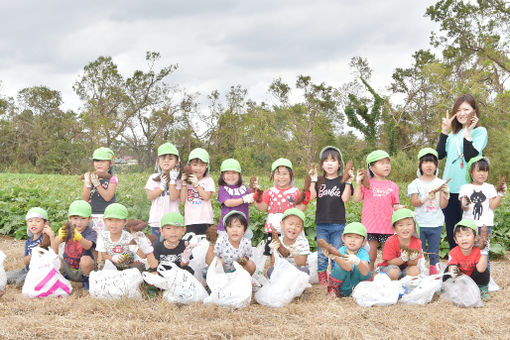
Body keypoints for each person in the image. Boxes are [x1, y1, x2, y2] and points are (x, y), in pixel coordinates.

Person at [436, 94, 488, 249]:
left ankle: (471, 268)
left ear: (474, 111)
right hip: (449, 189)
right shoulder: (452, 135)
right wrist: (444, 132)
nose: (462, 113)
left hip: (469, 190)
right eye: (458, 110)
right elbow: (439, 155)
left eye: (466, 109)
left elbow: (471, 155)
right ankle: (455, 266)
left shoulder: (480, 132)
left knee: (469, 231)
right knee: (454, 230)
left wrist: (468, 133)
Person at [309, 146, 353, 286]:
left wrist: (348, 182)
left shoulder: (342, 181)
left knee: (335, 251)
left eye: (333, 160)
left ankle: (335, 276)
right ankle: (322, 278)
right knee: (322, 253)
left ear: (339, 164)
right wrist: (313, 180)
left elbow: (345, 199)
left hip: (338, 224)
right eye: (326, 160)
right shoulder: (320, 180)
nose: (329, 163)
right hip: (321, 223)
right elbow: (312, 196)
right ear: (322, 164)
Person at [353, 150, 401, 272]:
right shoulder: (367, 184)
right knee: (371, 256)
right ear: (372, 167)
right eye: (382, 163)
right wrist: (358, 183)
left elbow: (396, 206)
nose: (386, 166)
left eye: (388, 163)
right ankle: (368, 278)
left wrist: (401, 209)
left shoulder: (393, 186)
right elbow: (357, 199)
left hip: (387, 227)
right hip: (370, 227)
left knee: (387, 257)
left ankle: (384, 277)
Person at [459, 156, 506, 272]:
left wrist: (500, 194)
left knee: (484, 254)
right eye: (479, 170)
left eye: (485, 171)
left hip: (485, 226)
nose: (482, 174)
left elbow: (493, 205)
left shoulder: (489, 187)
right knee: (468, 252)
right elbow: (464, 208)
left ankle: (485, 280)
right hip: (469, 227)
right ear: (471, 172)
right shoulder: (465, 187)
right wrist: (465, 202)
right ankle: (469, 276)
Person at [254, 158, 309, 256]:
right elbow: (262, 208)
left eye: (285, 174)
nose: (281, 177)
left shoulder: (295, 192)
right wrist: (258, 198)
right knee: (270, 254)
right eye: (278, 174)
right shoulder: (270, 192)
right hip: (272, 230)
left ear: (291, 176)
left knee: (289, 254)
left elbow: (299, 210)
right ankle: (271, 270)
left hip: (290, 231)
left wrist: (305, 198)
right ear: (273, 175)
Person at [408, 147, 449, 274]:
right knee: (418, 253)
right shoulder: (415, 183)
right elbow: (414, 202)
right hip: (420, 223)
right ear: (419, 165)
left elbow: (443, 206)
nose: (429, 165)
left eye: (432, 162)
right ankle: (417, 274)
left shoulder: (441, 183)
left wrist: (446, 195)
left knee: (434, 253)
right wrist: (425, 197)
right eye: (425, 162)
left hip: (435, 223)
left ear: (436, 165)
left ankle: (434, 277)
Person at [51, 200, 97, 290]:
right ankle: (60, 280)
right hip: (68, 268)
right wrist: (58, 237)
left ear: (89, 219)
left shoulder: (91, 232)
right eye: (75, 218)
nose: (79, 222)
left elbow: (88, 246)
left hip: (83, 270)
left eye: (83, 218)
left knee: (86, 260)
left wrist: (79, 238)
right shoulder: (68, 230)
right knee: (54, 260)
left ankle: (86, 284)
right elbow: (54, 246)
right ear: (70, 218)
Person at [443, 219, 490, 301]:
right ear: (455, 240)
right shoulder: (454, 252)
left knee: (484, 270)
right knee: (448, 269)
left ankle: (482, 288)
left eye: (467, 235)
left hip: (473, 278)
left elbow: (481, 269)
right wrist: (458, 279)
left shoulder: (478, 251)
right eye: (460, 236)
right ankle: (448, 287)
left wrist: (484, 250)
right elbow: (452, 268)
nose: (464, 238)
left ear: (475, 238)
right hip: (459, 278)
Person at [95, 203, 150, 272]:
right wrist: (113, 258)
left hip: (127, 267)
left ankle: (130, 279)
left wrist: (143, 243)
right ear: (104, 220)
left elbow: (140, 255)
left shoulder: (129, 237)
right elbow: (104, 256)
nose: (113, 223)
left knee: (138, 267)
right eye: (110, 219)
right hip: (111, 266)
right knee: (105, 267)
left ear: (125, 222)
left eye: (118, 220)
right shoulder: (103, 237)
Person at [6, 207, 54, 286]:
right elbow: (25, 261)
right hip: (27, 269)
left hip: (40, 271)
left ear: (45, 224)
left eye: (38, 221)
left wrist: (48, 236)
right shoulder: (29, 241)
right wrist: (34, 255)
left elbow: (52, 254)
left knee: (20, 282)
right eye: (30, 221)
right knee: (5, 276)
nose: (33, 224)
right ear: (27, 224)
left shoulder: (46, 239)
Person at [322, 222, 371, 297]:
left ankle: (361, 291)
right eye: (349, 236)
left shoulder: (363, 253)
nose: (352, 240)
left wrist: (358, 262)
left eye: (357, 237)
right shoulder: (341, 251)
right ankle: (334, 289)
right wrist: (335, 257)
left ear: (363, 242)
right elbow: (348, 267)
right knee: (338, 267)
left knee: (365, 269)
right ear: (343, 238)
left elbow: (365, 272)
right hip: (344, 287)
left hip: (358, 287)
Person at [145, 142, 182, 240]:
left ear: (177, 162)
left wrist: (172, 181)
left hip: (173, 220)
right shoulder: (153, 178)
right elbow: (149, 196)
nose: (166, 161)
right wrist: (161, 187)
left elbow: (174, 197)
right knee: (157, 246)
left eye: (170, 159)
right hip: (157, 220)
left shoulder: (178, 180)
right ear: (158, 161)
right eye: (163, 158)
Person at [377, 208, 422, 280]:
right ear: (394, 228)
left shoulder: (417, 242)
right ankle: (393, 288)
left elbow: (413, 264)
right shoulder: (391, 241)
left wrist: (412, 258)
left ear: (414, 227)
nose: (405, 228)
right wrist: (403, 258)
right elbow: (390, 262)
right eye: (401, 225)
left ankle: (408, 287)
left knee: (415, 270)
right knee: (394, 272)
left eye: (409, 224)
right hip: (390, 268)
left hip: (405, 269)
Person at [82, 147, 118, 234]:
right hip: (91, 214)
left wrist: (97, 184)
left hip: (107, 215)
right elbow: (84, 199)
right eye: (97, 161)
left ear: (110, 163)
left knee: (105, 238)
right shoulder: (90, 177)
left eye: (103, 161)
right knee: (93, 239)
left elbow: (108, 197)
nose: (99, 164)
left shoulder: (113, 179)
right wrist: (87, 184)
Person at [180, 148, 215, 236]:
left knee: (206, 243)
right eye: (195, 165)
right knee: (192, 244)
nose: (198, 168)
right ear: (190, 166)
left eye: (202, 165)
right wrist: (184, 184)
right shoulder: (186, 182)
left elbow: (206, 197)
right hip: (191, 220)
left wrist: (196, 185)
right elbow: (182, 199)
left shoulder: (208, 180)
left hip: (206, 220)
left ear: (207, 166)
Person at [267, 208, 311, 277]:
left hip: (296, 271)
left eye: (298, 226)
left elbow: (301, 263)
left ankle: (295, 285)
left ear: (302, 229)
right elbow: (273, 263)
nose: (293, 227)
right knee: (270, 271)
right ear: (282, 224)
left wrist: (295, 253)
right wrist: (274, 250)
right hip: (282, 270)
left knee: (304, 270)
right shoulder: (278, 241)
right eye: (290, 224)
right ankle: (283, 284)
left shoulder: (302, 242)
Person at [217, 158, 254, 238]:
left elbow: (250, 204)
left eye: (234, 173)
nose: (231, 176)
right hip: (227, 228)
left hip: (242, 226)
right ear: (222, 175)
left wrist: (253, 195)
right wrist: (243, 199)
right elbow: (228, 203)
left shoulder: (244, 188)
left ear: (239, 174)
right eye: (227, 173)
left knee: (243, 248)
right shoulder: (223, 188)